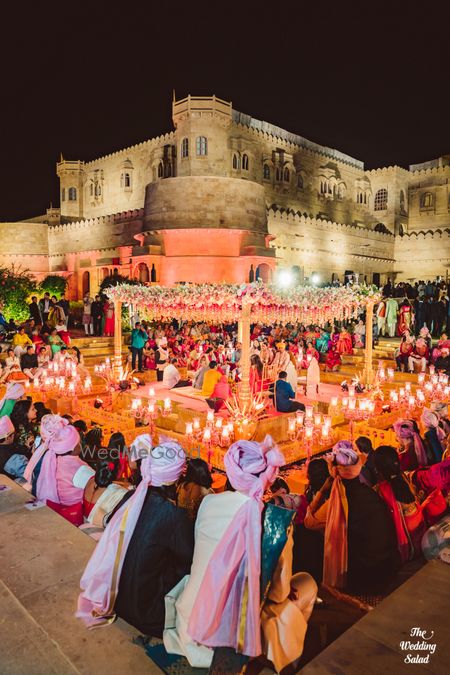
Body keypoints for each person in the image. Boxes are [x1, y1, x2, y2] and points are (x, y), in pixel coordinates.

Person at [164, 436, 317, 673]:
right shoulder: (275, 523)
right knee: (306, 583)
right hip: (232, 640)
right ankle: (279, 659)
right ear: (268, 477)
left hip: (191, 623)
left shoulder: (208, 503)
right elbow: (278, 593)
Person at [77, 435, 194, 636]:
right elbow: (189, 561)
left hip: (120, 600)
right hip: (148, 611)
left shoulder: (131, 497)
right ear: (177, 480)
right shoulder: (173, 515)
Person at [322, 441, 399, 593]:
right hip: (387, 563)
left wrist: (324, 488)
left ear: (335, 471)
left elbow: (309, 522)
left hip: (365, 572)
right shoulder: (370, 492)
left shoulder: (341, 500)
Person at [24, 416, 95, 523]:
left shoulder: (52, 460)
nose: (80, 445)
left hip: (57, 510)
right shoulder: (80, 469)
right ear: (72, 447)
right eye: (78, 442)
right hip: (75, 514)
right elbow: (97, 491)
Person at [374, 445, 427, 563]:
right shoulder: (403, 477)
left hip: (407, 539)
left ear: (378, 468)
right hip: (420, 529)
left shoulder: (381, 489)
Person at [82, 457, 128, 526]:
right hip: (95, 532)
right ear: (117, 473)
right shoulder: (118, 492)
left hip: (82, 523)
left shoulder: (90, 480)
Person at [0, 415, 30, 480]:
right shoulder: (13, 458)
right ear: (8, 437)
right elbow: (29, 475)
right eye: (13, 434)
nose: (14, 436)